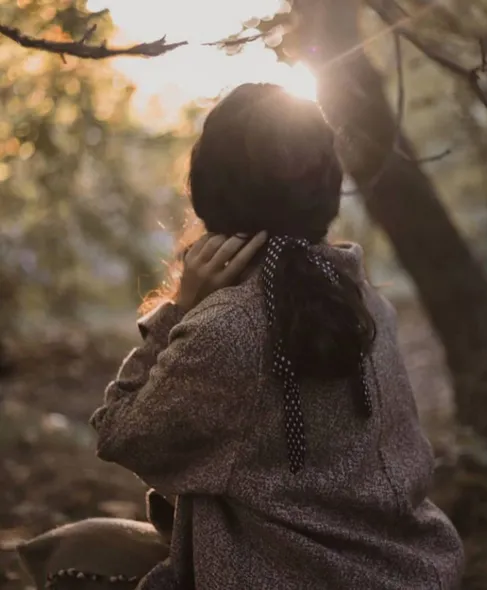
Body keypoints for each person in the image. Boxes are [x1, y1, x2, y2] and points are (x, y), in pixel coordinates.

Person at [90, 83, 464, 590]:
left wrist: (179, 310)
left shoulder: (223, 329)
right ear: (325, 189)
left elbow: (117, 432)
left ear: (206, 189)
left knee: (77, 551)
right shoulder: (368, 302)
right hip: (417, 571)